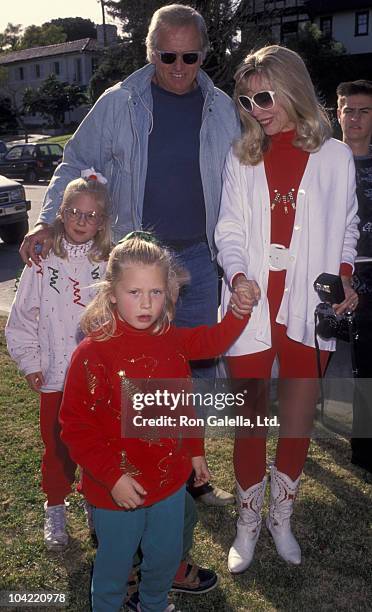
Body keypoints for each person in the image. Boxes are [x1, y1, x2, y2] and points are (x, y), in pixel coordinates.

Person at [19, 2, 240, 594]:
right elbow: (75, 161)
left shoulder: (222, 108)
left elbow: (250, 177)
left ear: (203, 53)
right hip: (136, 261)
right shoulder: (118, 101)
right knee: (121, 384)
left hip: (195, 261)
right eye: (167, 56)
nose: (179, 68)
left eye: (190, 56)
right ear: (150, 53)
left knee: (183, 373)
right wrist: (46, 219)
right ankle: (119, 506)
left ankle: (177, 477)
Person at [214, 45, 359, 573]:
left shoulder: (335, 156)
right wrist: (237, 274)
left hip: (307, 307)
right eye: (248, 99)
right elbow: (228, 227)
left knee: (296, 423)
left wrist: (345, 276)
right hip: (250, 306)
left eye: (266, 96)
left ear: (293, 88)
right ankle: (247, 525)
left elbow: (346, 227)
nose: (257, 108)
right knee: (250, 422)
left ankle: (282, 518)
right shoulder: (241, 154)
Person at [59, 232, 249, 612]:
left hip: (169, 484)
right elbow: (76, 427)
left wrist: (195, 451)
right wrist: (112, 476)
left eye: (156, 293)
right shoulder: (92, 353)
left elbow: (188, 393)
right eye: (135, 293)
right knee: (114, 568)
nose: (146, 303)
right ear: (112, 292)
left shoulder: (171, 340)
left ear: (168, 294)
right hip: (116, 492)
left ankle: (154, 603)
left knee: (163, 559)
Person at [5, 173, 111, 551]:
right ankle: (55, 506)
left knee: (99, 443)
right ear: (61, 215)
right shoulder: (42, 261)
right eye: (75, 213)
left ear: (102, 221)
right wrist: (32, 363)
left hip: (97, 381)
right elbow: (22, 319)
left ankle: (96, 502)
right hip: (54, 375)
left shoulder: (108, 264)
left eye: (92, 215)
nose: (83, 222)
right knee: (57, 445)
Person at [336, 79, 372, 474]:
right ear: (338, 112)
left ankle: (363, 448)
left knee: (367, 360)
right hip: (333, 270)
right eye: (350, 110)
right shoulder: (325, 161)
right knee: (313, 362)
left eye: (364, 110)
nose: (356, 118)